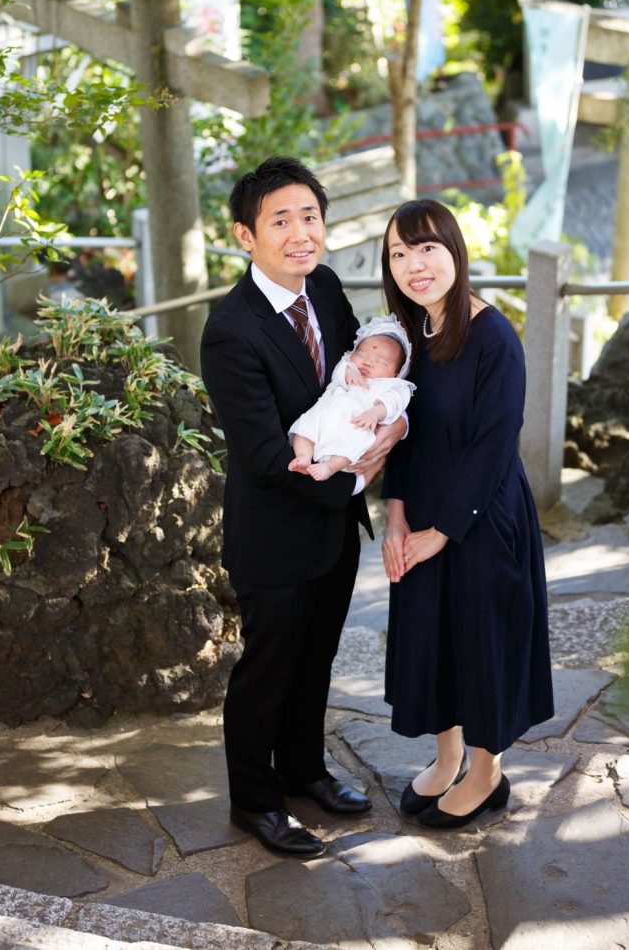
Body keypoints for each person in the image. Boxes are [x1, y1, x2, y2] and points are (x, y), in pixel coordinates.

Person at [200, 156, 406, 858]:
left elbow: (354, 375)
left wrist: (382, 431)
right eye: (279, 220)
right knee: (267, 669)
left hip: (332, 524)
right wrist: (356, 473)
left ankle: (304, 771)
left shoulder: (321, 285)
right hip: (273, 533)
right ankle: (253, 802)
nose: (300, 233)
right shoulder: (230, 330)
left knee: (315, 657)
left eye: (309, 217)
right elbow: (262, 454)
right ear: (243, 235)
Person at [380, 198, 554, 829]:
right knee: (435, 639)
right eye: (399, 253)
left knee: (481, 643)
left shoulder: (495, 338)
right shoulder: (407, 337)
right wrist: (397, 517)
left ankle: (487, 771)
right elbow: (400, 432)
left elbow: (492, 447)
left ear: (454, 250)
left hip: (482, 521)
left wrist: (440, 533)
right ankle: (447, 754)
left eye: (426, 247)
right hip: (421, 511)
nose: (414, 265)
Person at [288, 315, 414, 481]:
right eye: (362, 354)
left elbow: (393, 403)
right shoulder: (349, 368)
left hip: (354, 424)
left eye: (381, 362)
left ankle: (330, 466)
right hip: (323, 416)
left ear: (396, 373)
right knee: (304, 428)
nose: (368, 362)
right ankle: (304, 456)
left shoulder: (391, 386)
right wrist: (349, 371)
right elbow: (339, 371)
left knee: (358, 441)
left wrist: (376, 413)